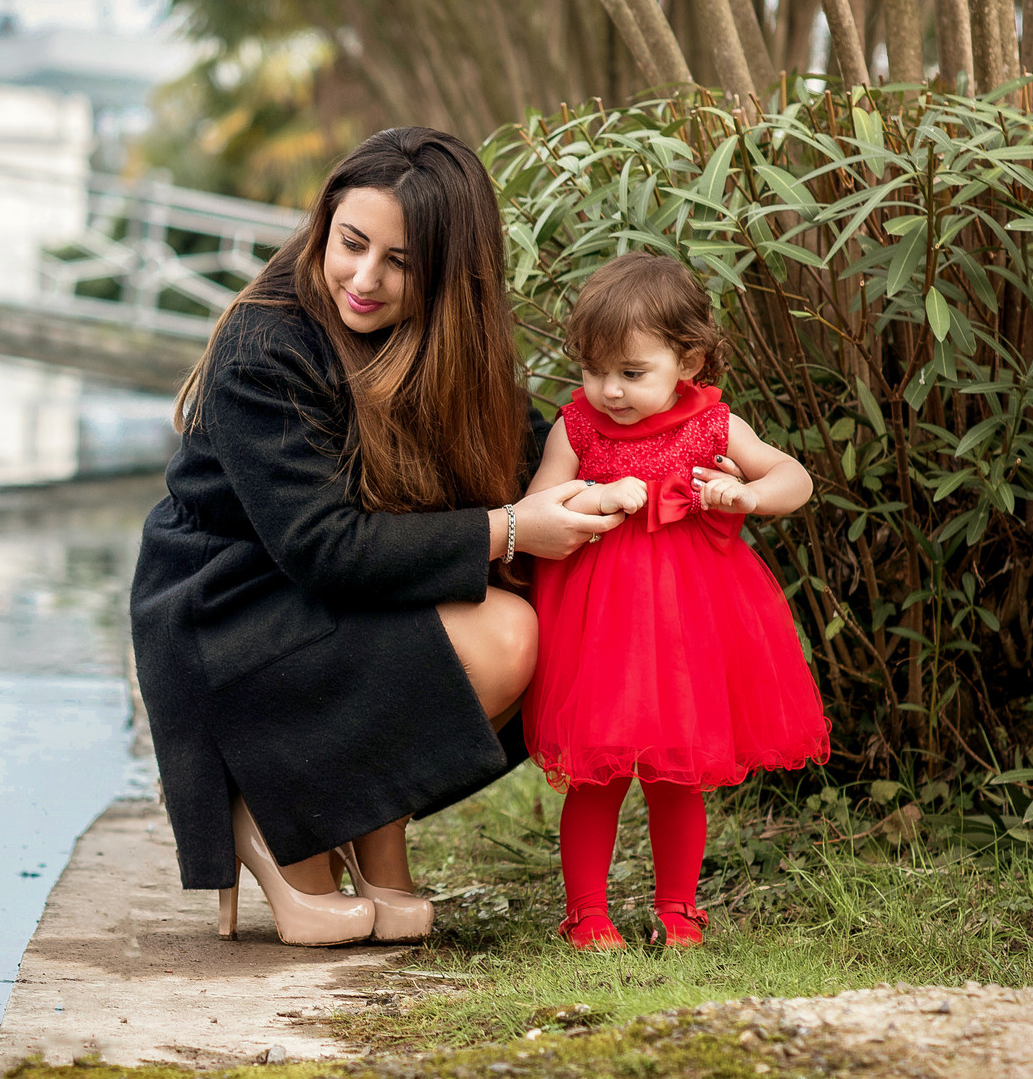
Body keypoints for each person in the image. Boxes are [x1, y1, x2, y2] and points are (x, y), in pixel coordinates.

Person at [130, 128, 621, 947]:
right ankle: (274, 814)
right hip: (228, 616)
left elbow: (529, 448)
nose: (365, 278)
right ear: (324, 224)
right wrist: (509, 529)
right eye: (352, 243)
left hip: (320, 611)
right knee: (504, 633)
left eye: (400, 262)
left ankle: (368, 828)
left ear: (449, 276)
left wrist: (670, 450)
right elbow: (323, 547)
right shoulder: (267, 344)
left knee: (565, 620)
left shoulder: (442, 346)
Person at [517, 252, 830, 951]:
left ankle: (679, 909)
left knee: (678, 773)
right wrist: (594, 495)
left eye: (632, 373)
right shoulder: (577, 427)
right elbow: (535, 506)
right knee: (597, 775)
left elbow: (794, 475)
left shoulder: (714, 425)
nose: (609, 390)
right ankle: (586, 913)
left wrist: (748, 494)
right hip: (601, 628)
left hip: (691, 623)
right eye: (595, 370)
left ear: (687, 360)